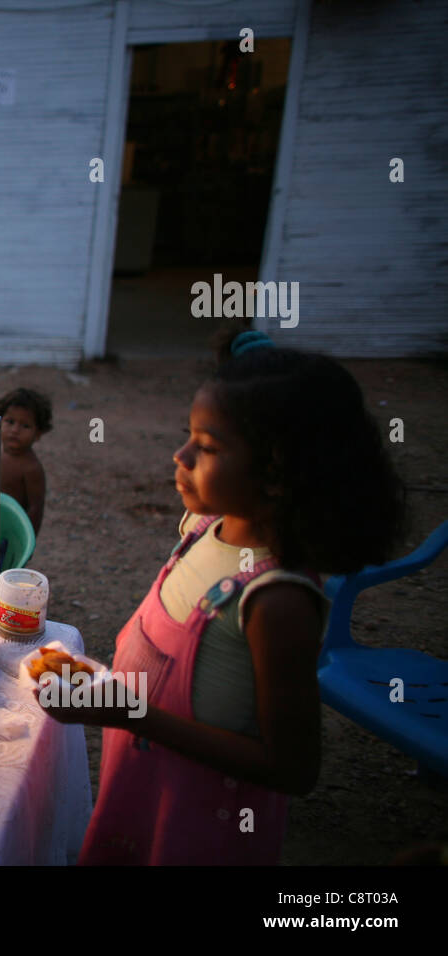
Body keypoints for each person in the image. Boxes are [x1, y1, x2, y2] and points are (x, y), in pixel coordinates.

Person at [38, 328, 406, 865]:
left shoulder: (276, 601)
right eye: (189, 435)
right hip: (142, 785)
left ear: (277, 473)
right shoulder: (205, 528)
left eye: (206, 447)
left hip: (201, 823)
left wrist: (134, 715)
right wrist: (106, 690)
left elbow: (292, 768)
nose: (180, 454)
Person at [0, 387, 50, 534]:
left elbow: (35, 508)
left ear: (38, 434)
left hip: (10, 532)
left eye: (25, 426)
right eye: (10, 421)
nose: (15, 430)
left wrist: (29, 537)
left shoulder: (31, 468)